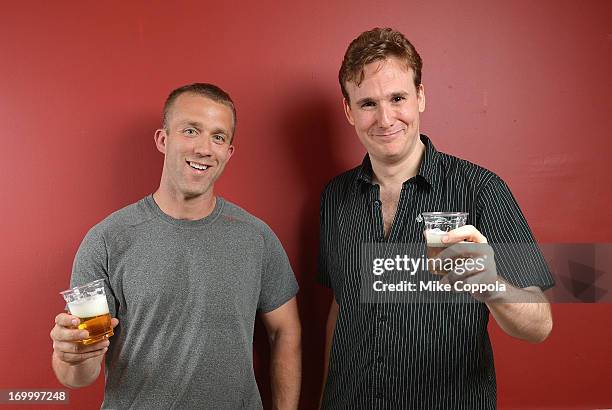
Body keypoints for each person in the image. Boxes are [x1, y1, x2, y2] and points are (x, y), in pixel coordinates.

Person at [318, 28, 554, 409]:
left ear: (420, 97)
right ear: (348, 110)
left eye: (397, 98)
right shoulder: (334, 197)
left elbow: (539, 325)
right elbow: (340, 308)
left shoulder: (481, 189)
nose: (385, 118)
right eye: (367, 104)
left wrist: (487, 281)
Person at [50, 83, 301, 409]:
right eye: (191, 130)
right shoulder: (107, 241)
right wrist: (70, 355)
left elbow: (285, 332)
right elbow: (80, 373)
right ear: (163, 139)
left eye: (219, 137)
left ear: (228, 153)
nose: (204, 148)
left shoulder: (257, 238)